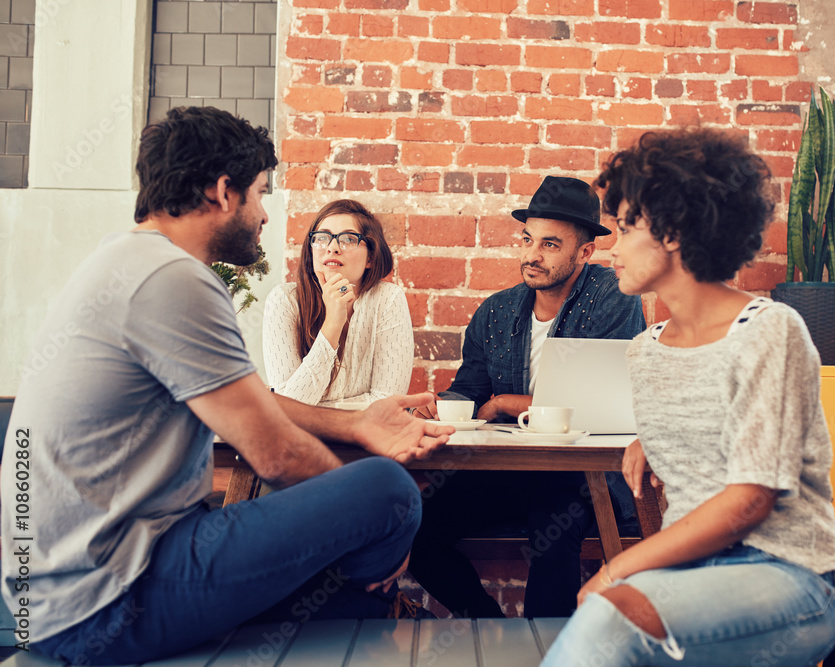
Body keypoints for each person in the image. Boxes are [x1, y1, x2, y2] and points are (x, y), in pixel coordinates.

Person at [1, 106, 452, 665]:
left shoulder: (125, 263)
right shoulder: (174, 279)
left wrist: (355, 423)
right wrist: (374, 526)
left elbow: (250, 403)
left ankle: (348, 622)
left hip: (59, 598)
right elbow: (278, 455)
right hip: (106, 602)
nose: (265, 214)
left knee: (341, 559)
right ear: (222, 192)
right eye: (260, 193)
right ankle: (368, 614)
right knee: (388, 493)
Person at [541, 129, 835, 666]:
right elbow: (689, 468)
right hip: (690, 579)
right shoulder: (645, 351)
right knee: (608, 622)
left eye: (628, 227)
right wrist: (651, 441)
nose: (611, 248)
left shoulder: (771, 331)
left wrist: (616, 571)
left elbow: (749, 499)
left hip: (783, 579)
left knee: (607, 619)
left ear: (674, 231)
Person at [408, 176, 647, 619]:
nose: (532, 255)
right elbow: (470, 390)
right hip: (507, 470)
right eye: (527, 239)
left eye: (551, 245)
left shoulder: (612, 297)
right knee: (413, 530)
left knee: (553, 535)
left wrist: (505, 405)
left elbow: (594, 400)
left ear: (584, 252)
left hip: (577, 475)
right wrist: (438, 408)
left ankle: (546, 650)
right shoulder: (496, 311)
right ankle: (492, 630)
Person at [262, 199, 412, 407]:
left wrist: (315, 409)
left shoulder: (388, 299)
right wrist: (333, 322)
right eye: (322, 238)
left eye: (348, 239)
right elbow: (289, 407)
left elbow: (388, 404)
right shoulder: (284, 300)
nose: (332, 248)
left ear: (371, 257)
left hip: (368, 439)